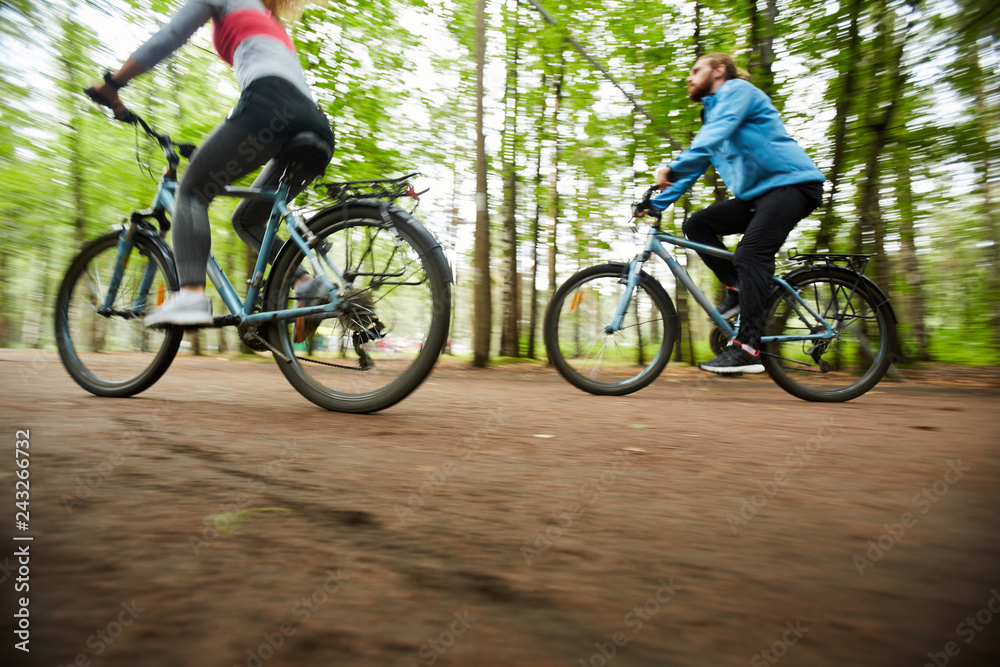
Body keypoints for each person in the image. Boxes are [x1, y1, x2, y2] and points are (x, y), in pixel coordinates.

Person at [87, 0, 334, 330]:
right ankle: (306, 285)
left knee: (191, 192)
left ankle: (190, 297)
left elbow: (170, 36)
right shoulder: (270, 19)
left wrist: (113, 84)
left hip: (269, 107)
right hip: (315, 124)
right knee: (246, 219)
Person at [638, 53, 825, 374]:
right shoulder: (713, 115)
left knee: (752, 252)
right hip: (759, 195)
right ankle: (738, 288)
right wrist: (656, 203)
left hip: (791, 186)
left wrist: (672, 165)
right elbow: (697, 164)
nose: (689, 78)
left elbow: (715, 134)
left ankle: (748, 347)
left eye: (696, 71)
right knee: (697, 224)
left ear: (719, 71)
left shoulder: (737, 91)